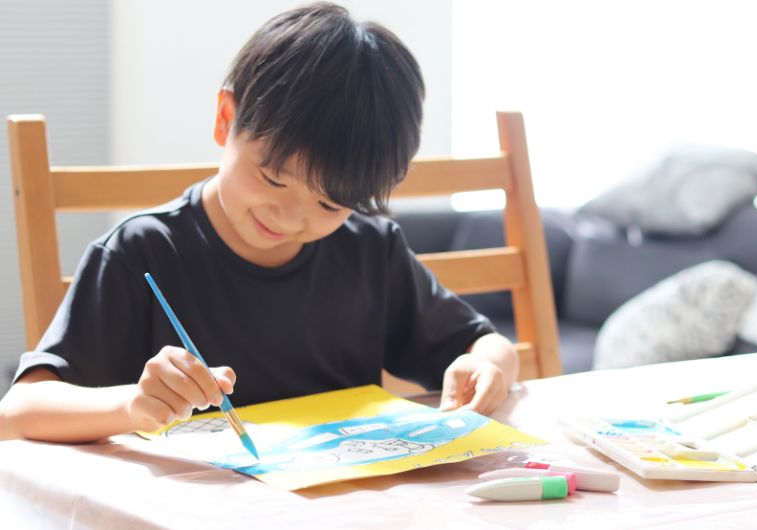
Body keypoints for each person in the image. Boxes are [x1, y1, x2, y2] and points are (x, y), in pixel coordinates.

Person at [0, 2, 518, 443]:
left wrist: (489, 365)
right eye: (272, 179)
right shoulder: (142, 252)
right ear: (226, 119)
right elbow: (18, 412)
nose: (290, 217)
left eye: (330, 204)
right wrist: (132, 405)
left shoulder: (369, 250)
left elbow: (482, 344)